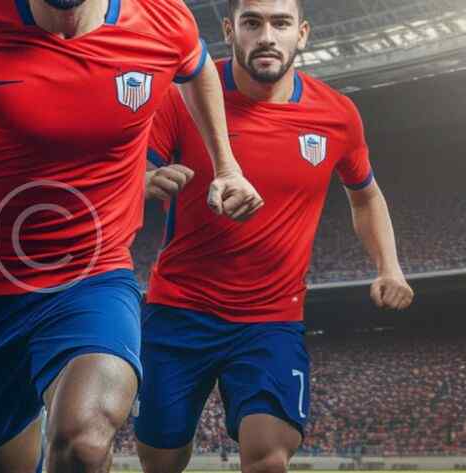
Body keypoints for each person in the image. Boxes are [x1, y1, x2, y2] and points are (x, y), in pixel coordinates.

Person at [0, 0, 264, 472]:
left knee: (82, 445)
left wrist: (227, 166)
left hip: (93, 276)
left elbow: (196, 68)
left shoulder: (162, 18)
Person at [135, 1, 415, 472]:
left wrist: (390, 267)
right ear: (230, 30)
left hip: (271, 319)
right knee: (160, 461)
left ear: (301, 33)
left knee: (268, 459)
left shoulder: (337, 114)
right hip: (179, 310)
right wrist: (145, 180)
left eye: (281, 23)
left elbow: (366, 197)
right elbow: (132, 168)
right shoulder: (184, 95)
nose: (267, 35)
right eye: (253, 22)